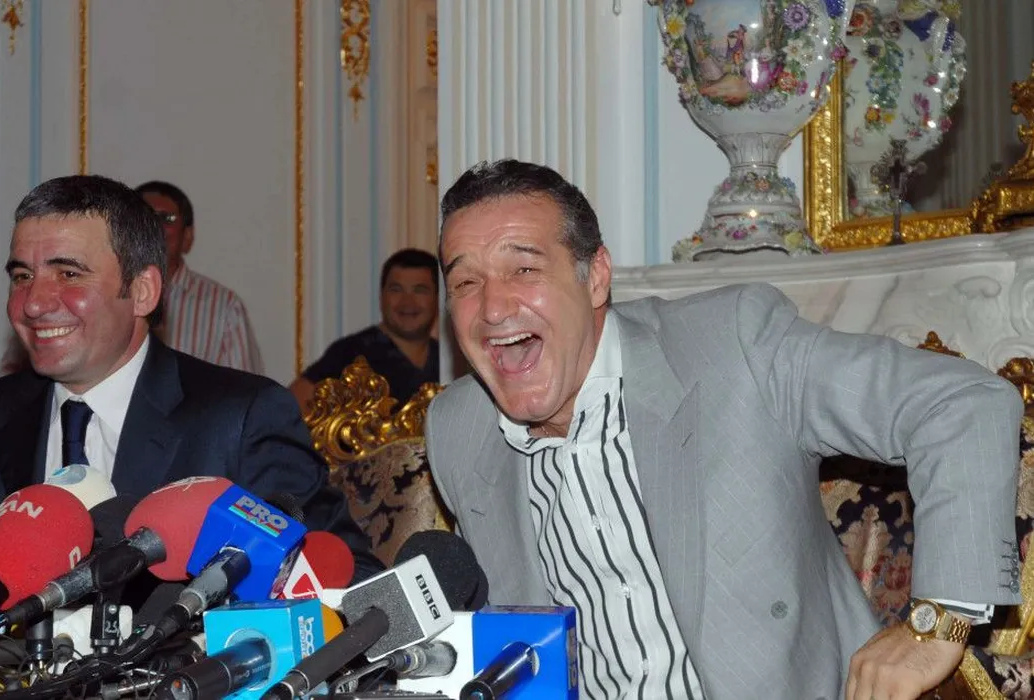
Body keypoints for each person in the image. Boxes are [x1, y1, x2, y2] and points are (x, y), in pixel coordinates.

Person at [424, 159, 1023, 700]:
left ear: (596, 277)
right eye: (466, 283)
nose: (493, 308)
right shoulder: (457, 431)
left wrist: (936, 625)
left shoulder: (735, 347)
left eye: (523, 268)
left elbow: (963, 404)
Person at [0, 175, 379, 583]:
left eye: (68, 273)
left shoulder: (241, 420)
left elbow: (347, 578)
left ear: (142, 292)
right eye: (23, 276)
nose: (34, 303)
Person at [135, 180, 263, 374]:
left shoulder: (224, 307)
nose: (154, 226)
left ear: (187, 235)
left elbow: (246, 388)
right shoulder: (105, 294)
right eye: (144, 216)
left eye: (166, 218)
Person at [289, 248, 439, 411]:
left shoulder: (449, 359)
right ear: (381, 297)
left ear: (438, 298)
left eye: (420, 290)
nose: (407, 302)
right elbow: (292, 406)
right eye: (396, 290)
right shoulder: (350, 354)